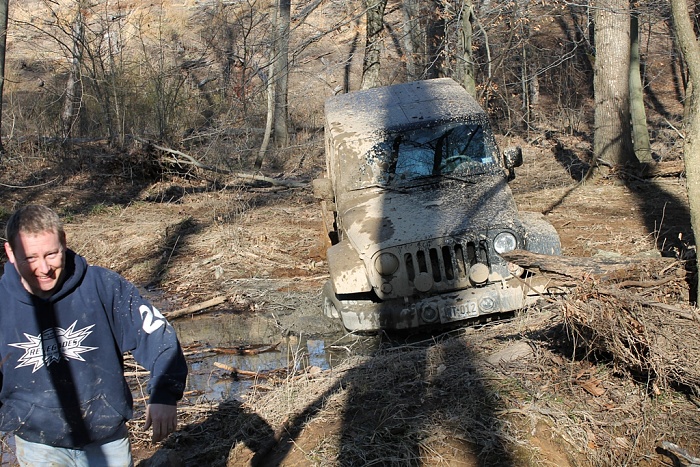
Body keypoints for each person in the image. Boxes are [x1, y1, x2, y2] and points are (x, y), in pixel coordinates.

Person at [0, 204, 188, 466]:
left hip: (106, 438)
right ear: (10, 252)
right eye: (30, 258)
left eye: (51, 254)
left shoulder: (103, 286)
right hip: (37, 444)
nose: (43, 268)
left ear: (64, 242)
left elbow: (157, 335)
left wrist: (164, 394)